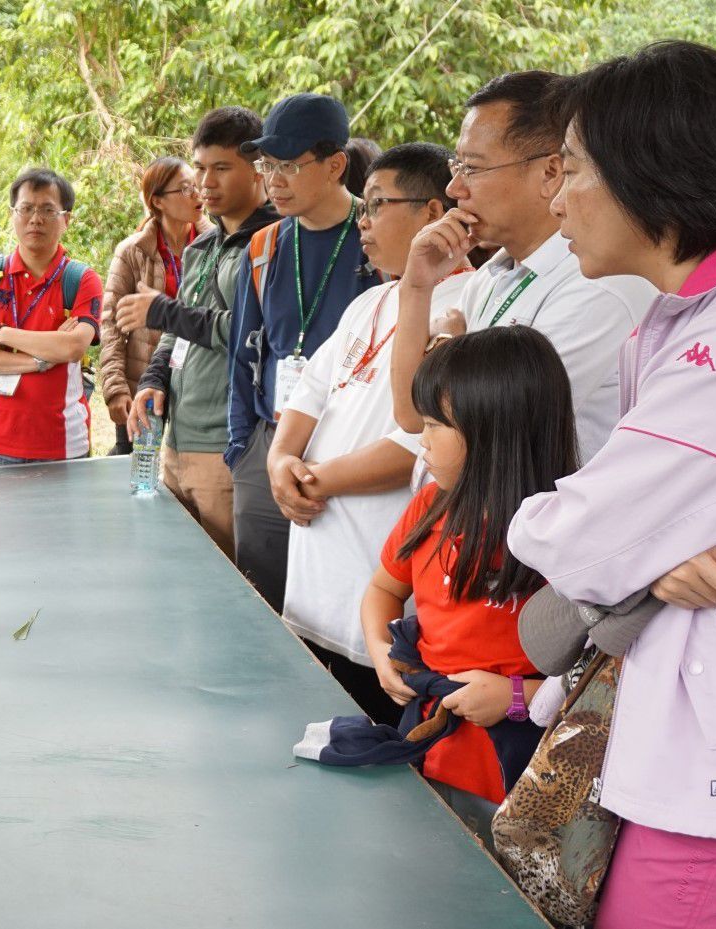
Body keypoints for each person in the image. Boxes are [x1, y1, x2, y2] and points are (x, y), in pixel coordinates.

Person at [506, 41, 716, 928]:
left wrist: (626, 543)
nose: (555, 198)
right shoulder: (673, 326)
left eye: (569, 170)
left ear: (653, 170)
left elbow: (577, 539)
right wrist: (652, 547)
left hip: (708, 787)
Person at [270, 143, 471, 723]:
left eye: (378, 204)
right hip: (311, 595)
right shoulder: (366, 302)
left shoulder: (471, 305)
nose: (362, 220)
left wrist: (309, 481)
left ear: (434, 213)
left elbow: (423, 441)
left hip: (378, 607)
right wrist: (282, 464)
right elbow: (305, 402)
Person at [365, 326, 576, 840]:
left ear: (494, 431)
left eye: (436, 424)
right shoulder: (429, 509)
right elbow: (383, 589)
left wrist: (516, 698)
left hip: (521, 781)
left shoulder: (570, 538)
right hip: (426, 751)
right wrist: (379, 652)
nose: (422, 439)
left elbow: (604, 681)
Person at [389, 71, 656, 465]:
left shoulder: (598, 285)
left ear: (550, 173)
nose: (453, 190)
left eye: (473, 169)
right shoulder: (490, 277)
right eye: (456, 166)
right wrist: (416, 287)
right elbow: (414, 417)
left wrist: (445, 343)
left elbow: (476, 430)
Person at [224, 93, 384, 610]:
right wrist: (242, 450)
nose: (274, 180)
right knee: (264, 605)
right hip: (269, 452)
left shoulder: (379, 242)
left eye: (289, 165)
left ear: (336, 164)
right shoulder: (264, 246)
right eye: (267, 165)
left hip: (353, 455)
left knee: (340, 612)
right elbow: (245, 354)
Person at [115, 107, 277, 556]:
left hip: (227, 447)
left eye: (222, 168)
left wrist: (165, 312)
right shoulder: (200, 246)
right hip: (174, 442)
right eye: (201, 169)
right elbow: (179, 329)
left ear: (259, 169)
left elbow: (255, 334)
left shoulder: (273, 243)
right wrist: (152, 380)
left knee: (232, 589)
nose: (206, 183)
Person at [0, 168, 103, 466]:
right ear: (12, 215)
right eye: (26, 209)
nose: (36, 219)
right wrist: (41, 360)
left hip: (63, 444)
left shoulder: (81, 280)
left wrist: (0, 334)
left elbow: (72, 348)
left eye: (48, 209)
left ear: (66, 219)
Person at [98, 157, 208, 455]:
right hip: (143, 380)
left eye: (197, 186)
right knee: (137, 465)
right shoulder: (132, 251)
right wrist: (116, 387)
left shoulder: (216, 244)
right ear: (157, 201)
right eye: (185, 189)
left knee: (185, 467)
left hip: (197, 382)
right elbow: (110, 324)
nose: (197, 194)